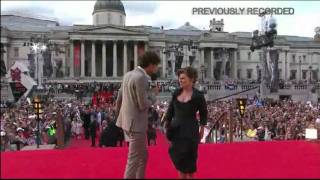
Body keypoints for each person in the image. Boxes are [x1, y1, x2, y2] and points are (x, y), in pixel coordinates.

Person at [116, 51, 160, 179]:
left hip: (127, 121)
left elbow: (119, 98)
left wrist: (119, 115)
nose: (156, 68)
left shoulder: (128, 74)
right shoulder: (141, 78)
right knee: (133, 160)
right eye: (156, 65)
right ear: (151, 65)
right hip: (136, 125)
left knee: (143, 156)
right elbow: (143, 104)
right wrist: (154, 94)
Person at [163, 67, 208, 179]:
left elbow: (203, 113)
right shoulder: (176, 93)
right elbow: (171, 109)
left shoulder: (198, 95)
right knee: (180, 163)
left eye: (183, 78)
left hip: (190, 131)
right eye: (179, 78)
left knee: (190, 164)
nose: (180, 80)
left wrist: (202, 128)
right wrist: (167, 122)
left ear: (191, 79)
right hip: (176, 131)